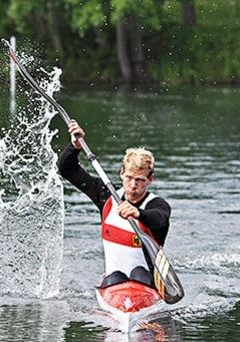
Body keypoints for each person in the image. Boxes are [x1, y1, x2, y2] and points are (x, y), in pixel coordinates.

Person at [58, 120, 171, 289]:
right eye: (129, 178)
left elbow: (160, 219)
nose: (133, 185)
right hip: (113, 283)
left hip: (145, 282)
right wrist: (75, 146)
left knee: (139, 273)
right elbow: (67, 169)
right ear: (121, 174)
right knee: (115, 277)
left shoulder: (157, 205)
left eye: (140, 180)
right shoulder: (106, 195)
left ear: (150, 180)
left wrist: (138, 213)